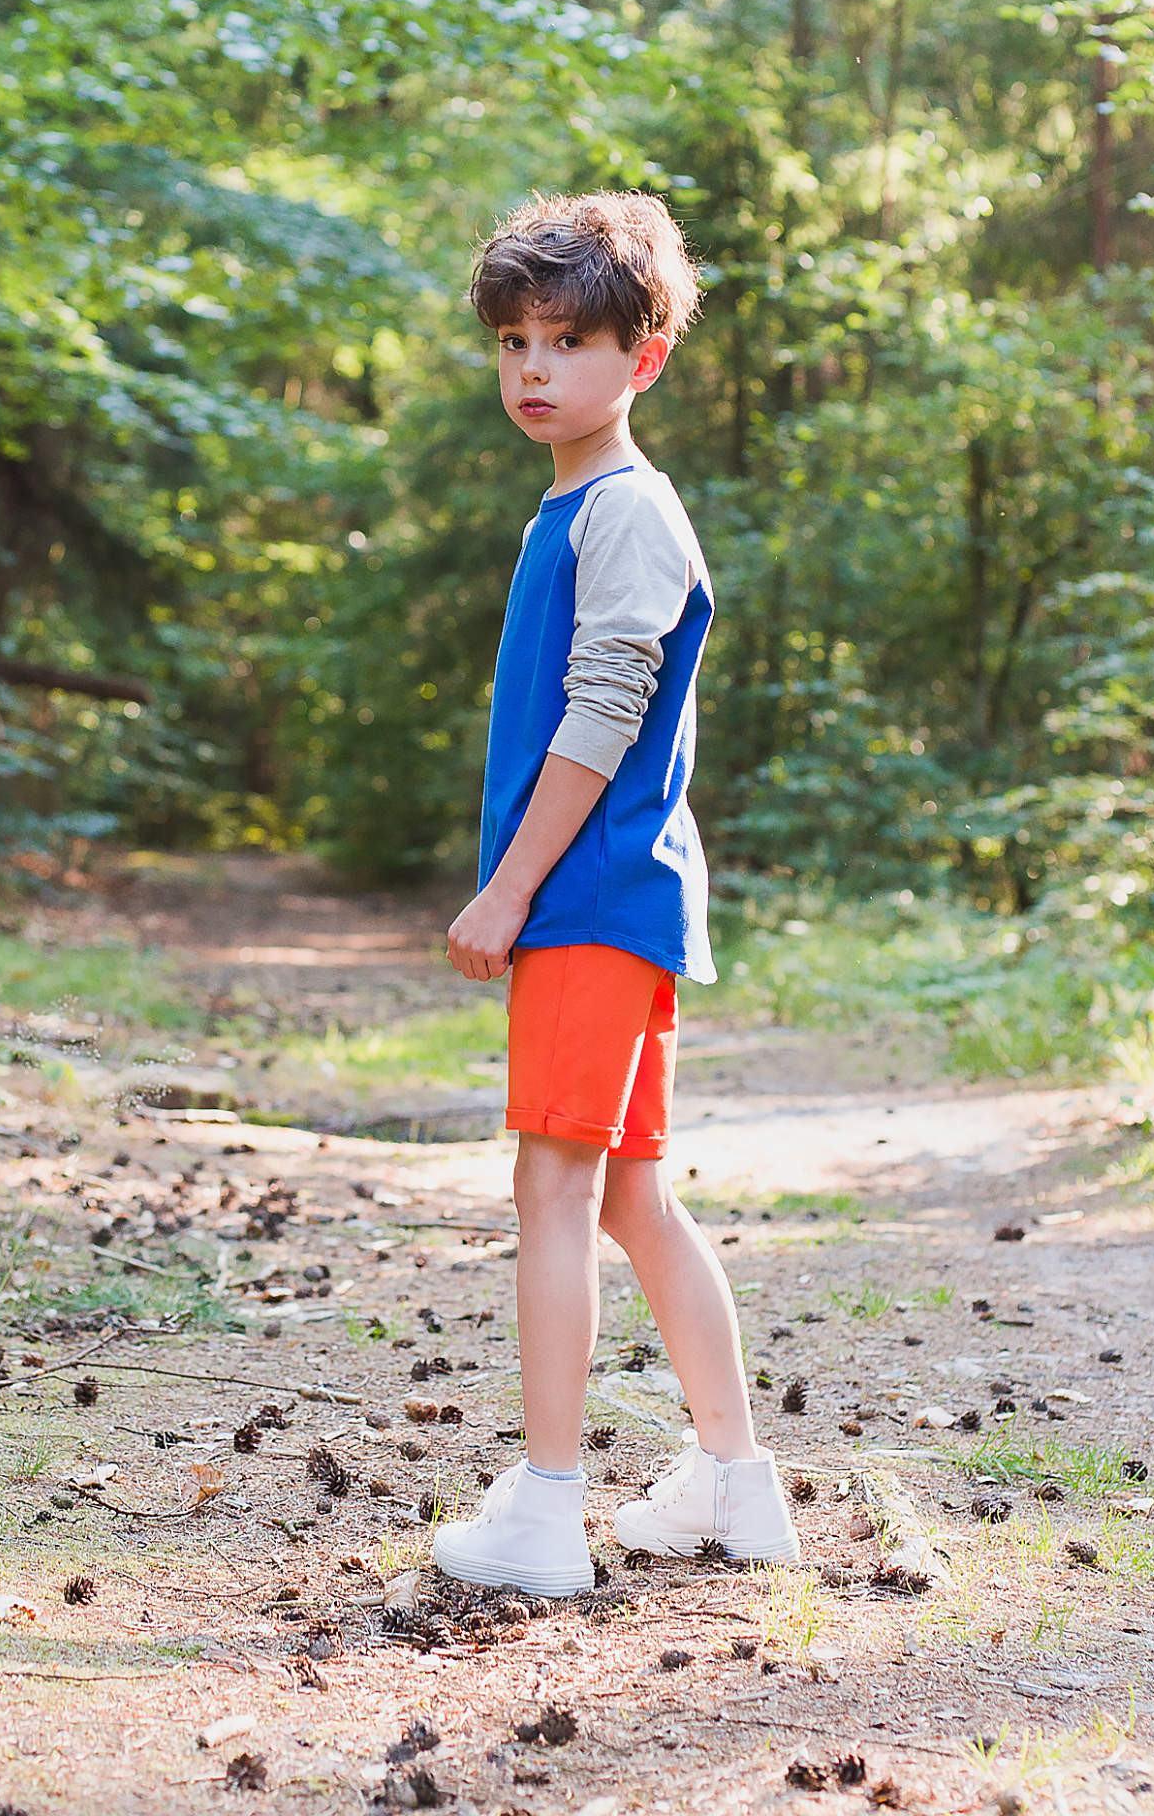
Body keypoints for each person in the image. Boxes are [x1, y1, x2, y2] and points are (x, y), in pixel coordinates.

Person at [429, 190, 801, 1598]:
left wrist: (507, 891)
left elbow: (601, 716)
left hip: (588, 899)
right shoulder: (576, 508)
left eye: (569, 341)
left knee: (553, 1190)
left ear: (640, 360)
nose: (534, 369)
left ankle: (545, 1510)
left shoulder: (627, 511)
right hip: (614, 902)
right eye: (516, 341)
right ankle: (734, 1480)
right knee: (632, 1196)